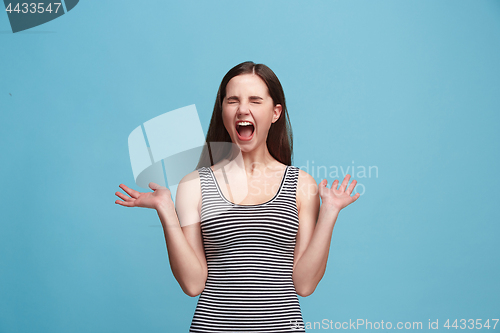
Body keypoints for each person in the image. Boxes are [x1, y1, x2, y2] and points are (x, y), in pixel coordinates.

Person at [115, 61, 360, 332]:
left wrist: (329, 212)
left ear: (275, 112)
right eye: (233, 101)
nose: (243, 109)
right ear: (223, 111)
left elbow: (304, 284)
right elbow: (193, 284)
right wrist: (165, 209)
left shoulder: (301, 184)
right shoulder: (194, 185)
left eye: (255, 100)